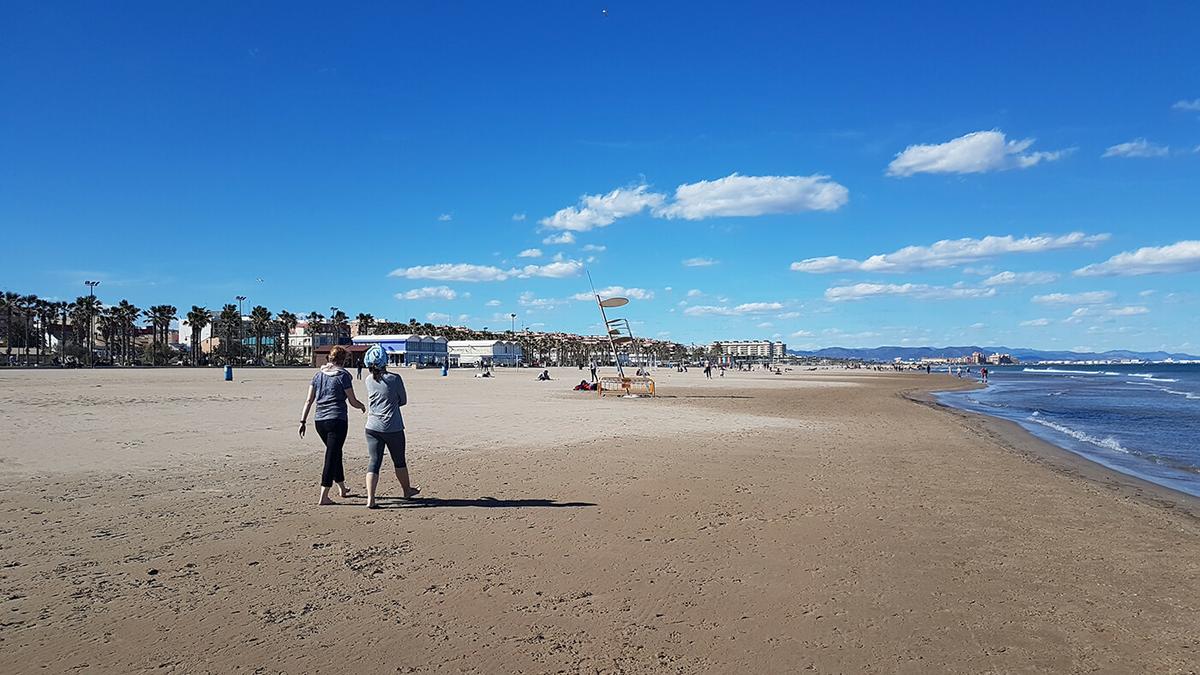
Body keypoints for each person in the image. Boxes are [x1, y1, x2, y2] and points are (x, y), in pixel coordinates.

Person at [299, 345, 366, 505]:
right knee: (331, 455)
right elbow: (352, 400)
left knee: (335, 452)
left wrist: (303, 421)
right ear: (342, 360)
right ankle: (324, 495)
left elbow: (309, 400)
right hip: (337, 420)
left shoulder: (317, 376)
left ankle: (342, 488)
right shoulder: (343, 376)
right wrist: (362, 406)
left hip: (319, 422)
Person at [362, 345, 418, 509]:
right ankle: (406, 490)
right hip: (392, 426)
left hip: (372, 426)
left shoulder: (368, 380)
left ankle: (371, 498)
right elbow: (403, 400)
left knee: (374, 461)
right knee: (399, 460)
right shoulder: (395, 378)